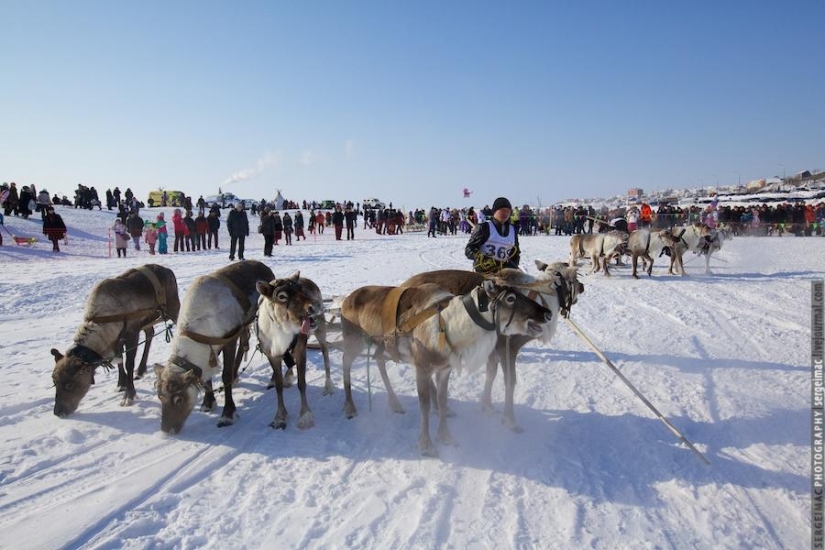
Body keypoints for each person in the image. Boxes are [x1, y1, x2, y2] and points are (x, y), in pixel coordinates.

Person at [465, 196, 520, 274]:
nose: (506, 213)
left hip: (504, 273)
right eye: (502, 210)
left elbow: (516, 253)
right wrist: (481, 258)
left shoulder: (512, 230)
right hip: (484, 272)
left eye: (508, 211)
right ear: (494, 211)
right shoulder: (484, 227)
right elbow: (469, 249)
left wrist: (511, 266)